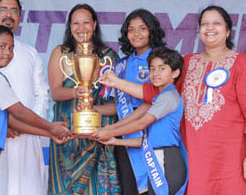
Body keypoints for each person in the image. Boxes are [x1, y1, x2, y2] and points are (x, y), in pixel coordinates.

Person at [105, 5, 246, 195]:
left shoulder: (240, 63)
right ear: (199, 31)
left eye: (216, 24)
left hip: (230, 156)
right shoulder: (186, 62)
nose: (209, 28)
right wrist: (117, 82)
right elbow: (153, 93)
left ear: (228, 31)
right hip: (192, 153)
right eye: (204, 24)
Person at [0, 24, 69, 195]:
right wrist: (50, 127)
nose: (8, 53)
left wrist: (49, 133)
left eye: (11, 48)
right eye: (2, 47)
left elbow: (11, 121)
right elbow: (18, 111)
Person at [93, 47, 188, 195]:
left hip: (166, 160)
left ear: (175, 73)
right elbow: (147, 141)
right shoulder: (158, 99)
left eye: (162, 69)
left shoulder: (168, 97)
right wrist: (116, 141)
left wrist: (108, 131)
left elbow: (140, 124)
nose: (155, 73)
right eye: (152, 69)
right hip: (157, 157)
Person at [47, 4, 121, 194]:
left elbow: (117, 104)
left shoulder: (109, 57)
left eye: (86, 23)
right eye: (76, 23)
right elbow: (55, 92)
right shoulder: (60, 53)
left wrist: (94, 109)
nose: (81, 28)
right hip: (68, 132)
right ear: (69, 26)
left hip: (99, 133)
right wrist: (77, 92)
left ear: (94, 24)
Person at [108, 8, 166, 194]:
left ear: (151, 30)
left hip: (151, 134)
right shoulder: (121, 65)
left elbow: (154, 99)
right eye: (131, 29)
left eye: (142, 28)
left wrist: (114, 129)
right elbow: (116, 106)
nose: (136, 34)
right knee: (129, 189)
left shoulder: (160, 62)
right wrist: (91, 108)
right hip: (125, 138)